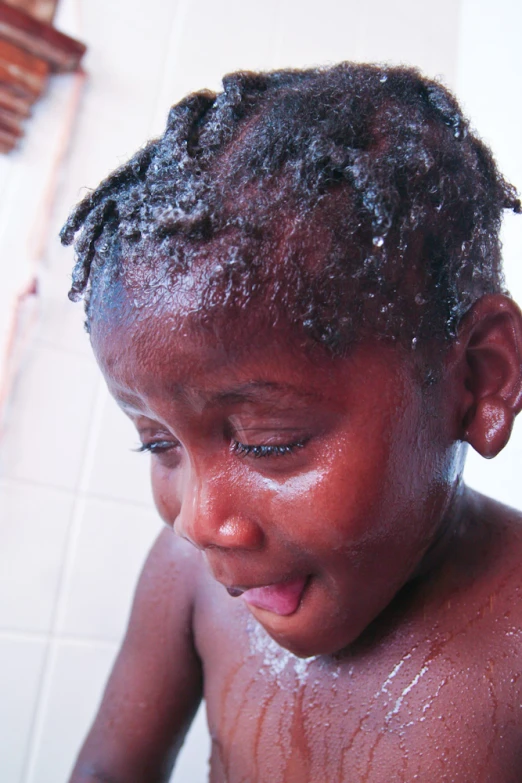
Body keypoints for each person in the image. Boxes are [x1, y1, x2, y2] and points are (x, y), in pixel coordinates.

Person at [61, 62, 522, 782]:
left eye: (266, 441)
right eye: (159, 442)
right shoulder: (187, 579)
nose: (202, 521)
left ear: (480, 379)